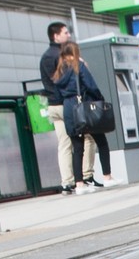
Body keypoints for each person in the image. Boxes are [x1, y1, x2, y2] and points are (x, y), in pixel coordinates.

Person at [40, 22, 100, 195]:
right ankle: (86, 176)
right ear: (56, 36)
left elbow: (51, 82)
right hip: (69, 104)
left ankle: (67, 182)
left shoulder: (46, 56)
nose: (68, 35)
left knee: (64, 144)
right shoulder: (63, 57)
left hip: (53, 105)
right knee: (87, 137)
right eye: (65, 33)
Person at [53, 42, 114, 194]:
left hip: (69, 108)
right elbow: (91, 86)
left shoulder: (59, 71)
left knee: (77, 147)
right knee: (102, 141)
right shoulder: (78, 66)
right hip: (83, 107)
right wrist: (99, 98)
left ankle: (79, 184)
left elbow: (58, 93)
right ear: (75, 52)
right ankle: (107, 177)